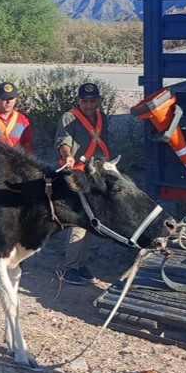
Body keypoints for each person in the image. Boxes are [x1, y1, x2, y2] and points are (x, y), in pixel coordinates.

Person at [55, 82, 111, 284]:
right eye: (85, 101)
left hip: (95, 173)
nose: (88, 105)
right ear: (78, 101)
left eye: (92, 101)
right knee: (79, 221)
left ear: (97, 101)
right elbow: (63, 142)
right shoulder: (69, 117)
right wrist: (68, 156)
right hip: (76, 175)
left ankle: (80, 264)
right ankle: (70, 267)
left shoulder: (102, 117)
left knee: (91, 221)